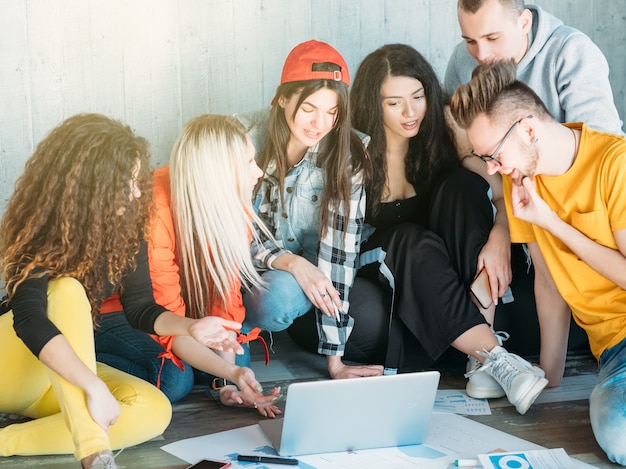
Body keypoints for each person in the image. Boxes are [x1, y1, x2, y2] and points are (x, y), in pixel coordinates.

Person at [0, 114, 254, 469]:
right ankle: (94, 453)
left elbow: (140, 309)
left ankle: (5, 443)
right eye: (129, 182)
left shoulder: (126, 227)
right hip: (15, 367)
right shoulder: (37, 229)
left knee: (153, 411)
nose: (138, 192)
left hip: (59, 378)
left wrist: (189, 327)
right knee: (68, 290)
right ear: (95, 185)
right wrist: (93, 385)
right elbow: (29, 321)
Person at [307, 43, 544, 414]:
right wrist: (334, 363)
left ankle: (479, 359)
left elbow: (498, 192)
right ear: (373, 105)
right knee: (409, 237)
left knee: (462, 186)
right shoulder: (355, 153)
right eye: (394, 103)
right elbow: (338, 248)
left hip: (435, 260)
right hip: (380, 257)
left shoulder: (444, 131)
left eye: (418, 97)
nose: (410, 112)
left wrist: (500, 235)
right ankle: (495, 357)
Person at [449, 58, 626, 466]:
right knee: (616, 432)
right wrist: (551, 377)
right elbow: (548, 284)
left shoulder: (613, 164)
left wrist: (553, 223)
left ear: (528, 129)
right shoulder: (521, 185)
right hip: (616, 352)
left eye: (494, 155)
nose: (493, 168)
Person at [444, 0, 624, 386]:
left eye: (492, 37)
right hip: (524, 201)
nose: (482, 55)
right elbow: (466, 149)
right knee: (462, 185)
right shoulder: (465, 61)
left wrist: (539, 221)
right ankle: (486, 356)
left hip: (576, 216)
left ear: (524, 22)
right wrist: (502, 224)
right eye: (471, 41)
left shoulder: (572, 55)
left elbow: (594, 163)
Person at [95, 115, 281, 416]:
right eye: (248, 163)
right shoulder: (153, 208)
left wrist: (227, 382)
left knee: (238, 361)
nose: (258, 172)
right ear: (218, 172)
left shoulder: (232, 202)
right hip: (121, 312)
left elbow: (225, 298)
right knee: (174, 380)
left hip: (181, 313)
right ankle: (78, 362)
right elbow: (156, 312)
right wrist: (223, 370)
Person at [236, 40, 383, 380]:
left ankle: (241, 333)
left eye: (331, 112)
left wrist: (336, 363)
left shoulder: (348, 154)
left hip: (292, 284)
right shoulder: (244, 138)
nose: (320, 124)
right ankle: (222, 340)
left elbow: (339, 255)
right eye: (309, 109)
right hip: (236, 267)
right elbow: (226, 231)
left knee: (280, 299)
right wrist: (289, 261)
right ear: (284, 98)